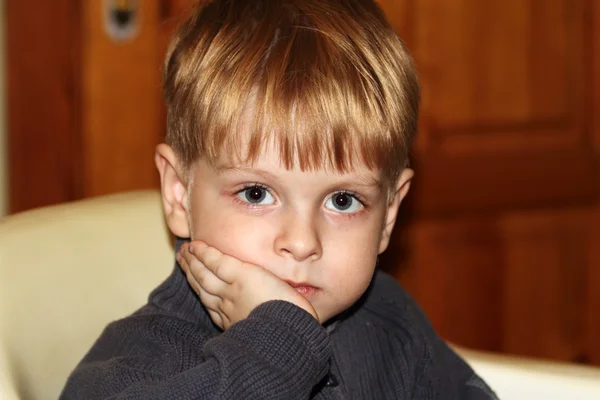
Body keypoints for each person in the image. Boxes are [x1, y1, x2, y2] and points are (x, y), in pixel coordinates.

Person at [61, 0, 497, 398]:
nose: (302, 241)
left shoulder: (390, 322)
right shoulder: (136, 366)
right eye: (256, 193)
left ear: (388, 215)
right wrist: (280, 343)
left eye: (343, 201)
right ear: (179, 192)